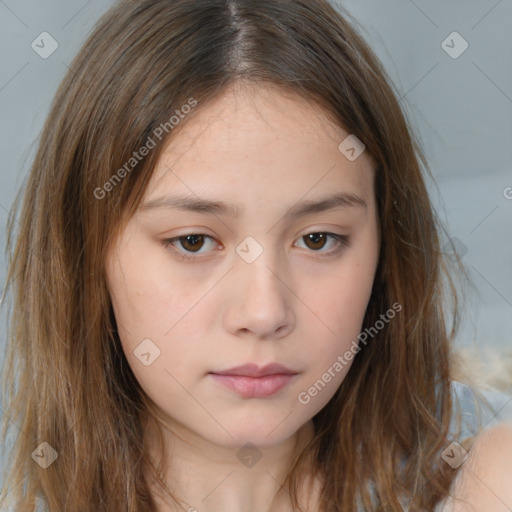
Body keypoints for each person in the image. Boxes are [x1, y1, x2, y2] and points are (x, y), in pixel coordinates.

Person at [1, 0, 511, 511]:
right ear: (86, 255)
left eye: (318, 239)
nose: (264, 313)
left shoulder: (486, 478)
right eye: (193, 242)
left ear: (385, 248)